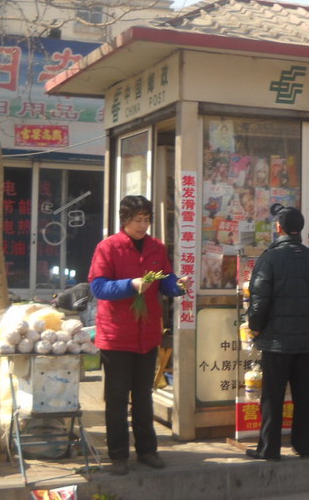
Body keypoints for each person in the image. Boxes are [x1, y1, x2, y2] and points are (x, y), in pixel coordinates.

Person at [88, 195, 189, 475]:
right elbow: (98, 288)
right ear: (125, 221)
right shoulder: (108, 247)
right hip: (116, 335)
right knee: (118, 398)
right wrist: (131, 285)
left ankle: (148, 450)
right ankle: (118, 454)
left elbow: (165, 280)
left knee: (144, 396)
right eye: (138, 220)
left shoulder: (156, 247)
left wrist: (177, 285)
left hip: (147, 335)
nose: (143, 225)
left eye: (146, 220)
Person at [245, 203, 309, 461]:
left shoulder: (269, 258)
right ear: (299, 229)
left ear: (279, 228)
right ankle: (304, 447)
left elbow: (258, 301)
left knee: (273, 395)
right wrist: (306, 321)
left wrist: (255, 328)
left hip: (275, 341)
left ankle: (269, 448)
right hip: (304, 340)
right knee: (305, 395)